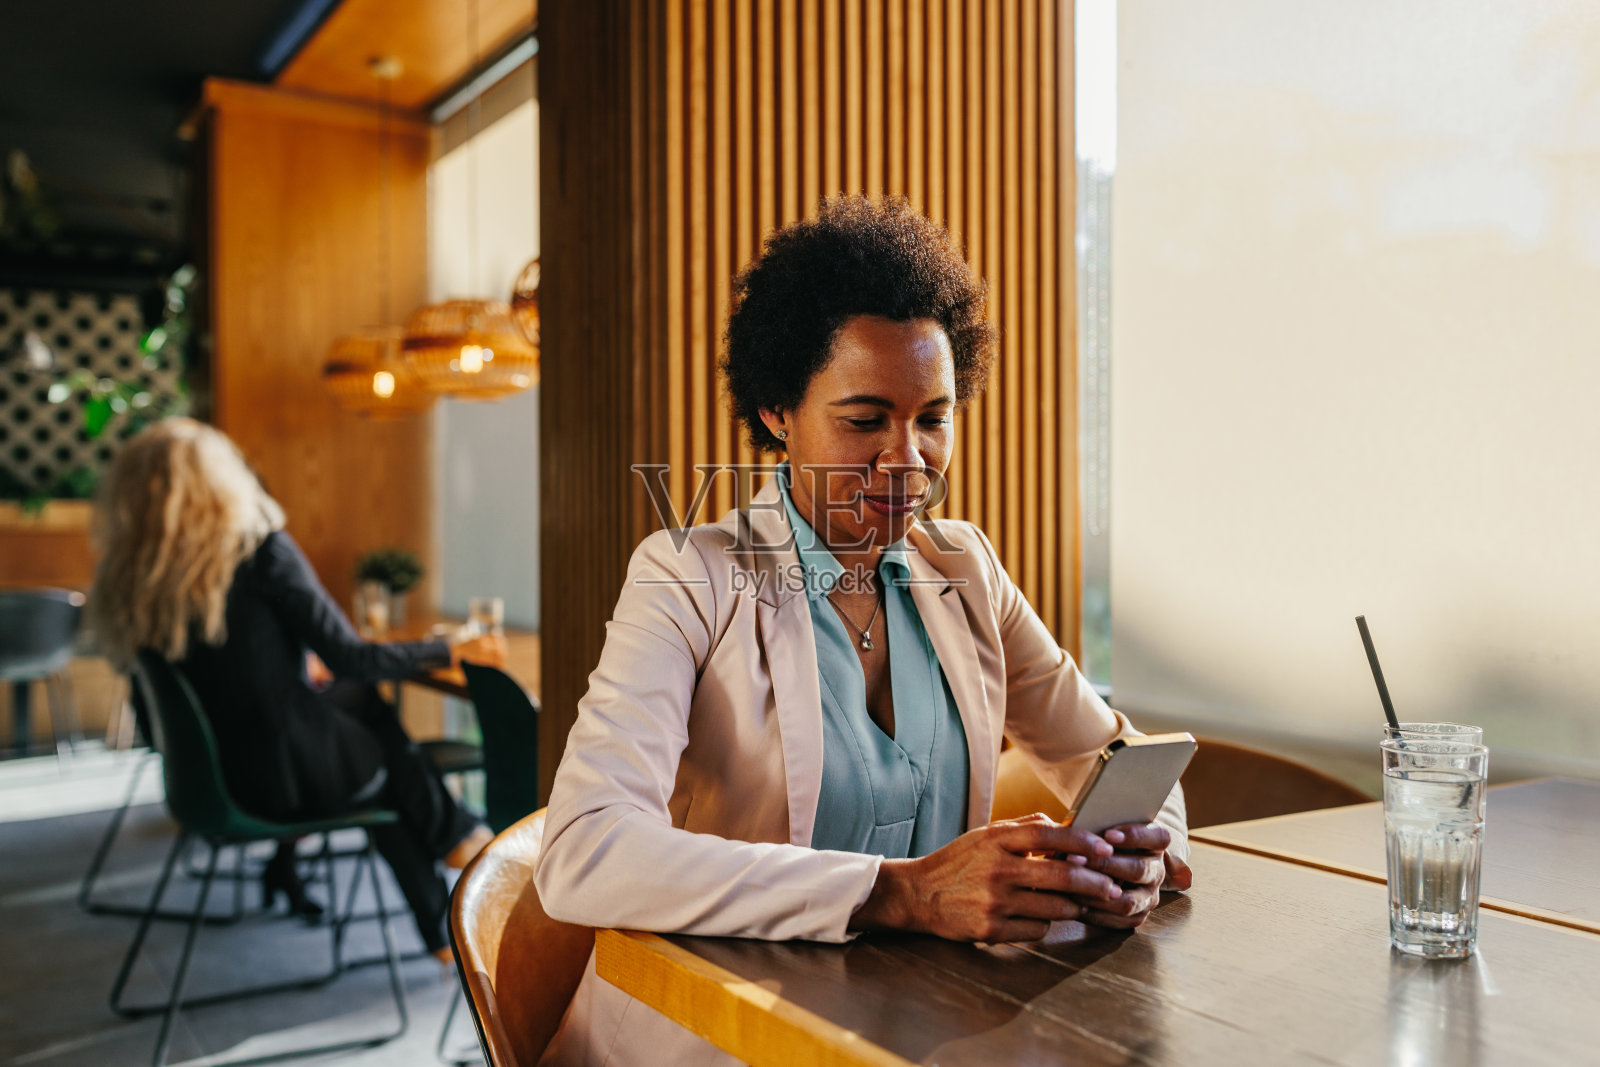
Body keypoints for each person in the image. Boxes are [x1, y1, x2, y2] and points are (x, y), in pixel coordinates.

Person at [533, 196, 1192, 1065]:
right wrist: (901, 892)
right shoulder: (689, 575)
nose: (908, 460)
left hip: (905, 1035)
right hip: (705, 1037)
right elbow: (584, 850)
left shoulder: (964, 568)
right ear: (778, 410)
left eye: (933, 418)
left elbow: (1119, 759)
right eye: (865, 420)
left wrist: (1145, 854)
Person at [87, 417, 497, 961]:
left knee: (366, 721)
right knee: (388, 759)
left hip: (213, 782)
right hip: (283, 780)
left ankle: (442, 905)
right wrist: (448, 651)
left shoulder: (133, 582)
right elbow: (351, 658)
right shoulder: (258, 551)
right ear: (223, 482)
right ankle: (455, 855)